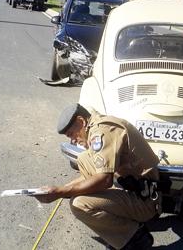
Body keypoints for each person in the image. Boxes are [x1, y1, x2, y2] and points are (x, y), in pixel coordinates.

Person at [34, 104, 161, 250]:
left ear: (81, 122)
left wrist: (61, 192)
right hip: (131, 187)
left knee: (80, 204)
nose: (73, 141)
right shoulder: (95, 124)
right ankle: (120, 228)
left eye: (71, 134)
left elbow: (104, 180)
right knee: (84, 158)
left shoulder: (101, 132)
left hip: (146, 200)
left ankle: (134, 238)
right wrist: (61, 190)